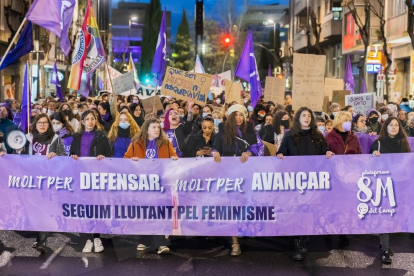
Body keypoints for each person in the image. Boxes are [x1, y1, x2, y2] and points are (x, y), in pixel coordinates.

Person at [276, 107, 334, 261]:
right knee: (297, 210)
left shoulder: (318, 135)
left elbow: (325, 152)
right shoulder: (289, 135)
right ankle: (297, 242)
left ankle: (302, 238)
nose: (307, 118)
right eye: (304, 115)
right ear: (298, 118)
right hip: (295, 179)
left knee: (308, 209)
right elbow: (281, 153)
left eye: (309, 116)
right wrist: (280, 155)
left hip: (312, 179)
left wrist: (328, 153)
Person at [212, 104, 264, 256]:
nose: (239, 118)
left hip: (246, 174)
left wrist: (249, 152)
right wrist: (215, 153)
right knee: (232, 207)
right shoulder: (222, 132)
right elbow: (215, 148)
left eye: (241, 115)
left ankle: (246, 230)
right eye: (235, 116)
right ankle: (235, 243)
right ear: (230, 118)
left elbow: (257, 148)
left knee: (246, 204)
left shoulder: (250, 131)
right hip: (229, 174)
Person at [123, 118, 177, 255]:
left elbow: (174, 157)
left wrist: (174, 159)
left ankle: (160, 244)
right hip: (143, 184)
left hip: (160, 183)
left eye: (158, 127)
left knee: (157, 212)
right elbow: (125, 159)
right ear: (146, 129)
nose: (157, 129)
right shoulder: (136, 143)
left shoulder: (165, 143)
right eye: (154, 127)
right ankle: (145, 240)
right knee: (145, 212)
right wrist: (131, 161)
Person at [17, 113, 66, 253]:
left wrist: (56, 155)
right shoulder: (28, 138)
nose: (42, 125)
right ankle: (39, 235)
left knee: (43, 208)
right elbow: (19, 157)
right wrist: (8, 154)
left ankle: (41, 239)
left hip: (47, 179)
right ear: (35, 125)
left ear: (49, 124)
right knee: (33, 208)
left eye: (45, 123)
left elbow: (64, 157)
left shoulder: (55, 139)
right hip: (31, 179)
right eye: (40, 123)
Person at [70, 110, 113, 253]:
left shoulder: (102, 137)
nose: (90, 121)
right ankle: (87, 238)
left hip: (97, 177)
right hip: (81, 176)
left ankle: (97, 237)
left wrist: (103, 158)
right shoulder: (76, 137)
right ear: (82, 121)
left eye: (92, 119)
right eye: (87, 119)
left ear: (96, 121)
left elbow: (110, 156)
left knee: (96, 206)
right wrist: (74, 156)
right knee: (84, 207)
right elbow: (72, 153)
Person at [370, 116, 411, 264]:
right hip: (383, 185)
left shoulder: (403, 143)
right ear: (385, 127)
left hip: (400, 186)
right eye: (391, 125)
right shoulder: (378, 144)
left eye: (396, 125)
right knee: (385, 216)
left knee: (395, 216)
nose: (394, 127)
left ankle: (384, 243)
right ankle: (386, 250)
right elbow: (368, 165)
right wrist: (373, 156)